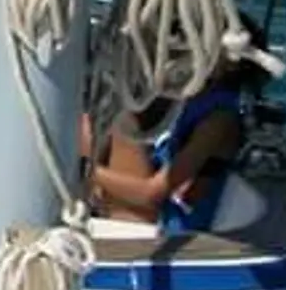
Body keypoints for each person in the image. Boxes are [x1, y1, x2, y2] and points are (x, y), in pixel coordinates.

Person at [85, 17, 270, 234]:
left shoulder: (219, 119)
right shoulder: (193, 97)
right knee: (94, 118)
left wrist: (83, 172)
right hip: (160, 210)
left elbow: (152, 194)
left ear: (230, 63)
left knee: (124, 123)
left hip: (174, 224)